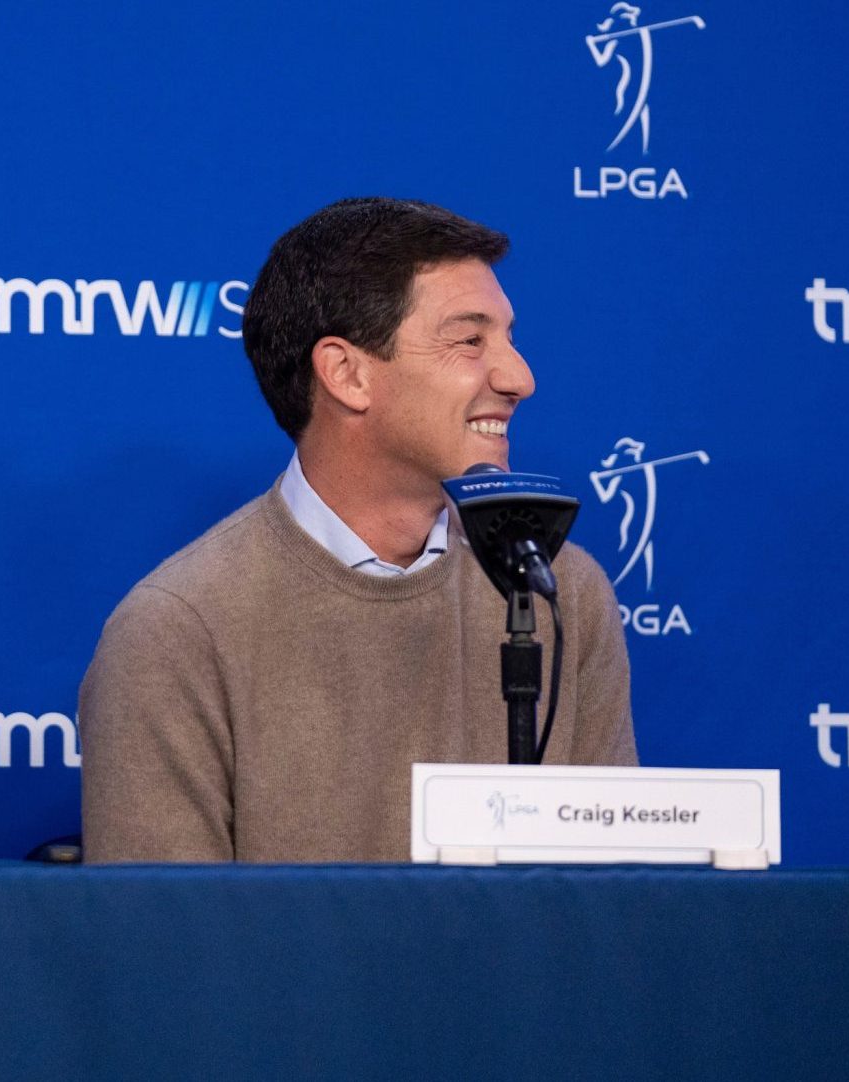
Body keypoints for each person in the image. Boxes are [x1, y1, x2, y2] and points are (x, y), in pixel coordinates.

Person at [79, 197, 636, 863]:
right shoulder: (177, 632)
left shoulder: (560, 591)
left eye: (511, 339)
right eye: (469, 340)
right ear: (347, 374)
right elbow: (163, 951)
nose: (520, 378)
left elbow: (611, 911)